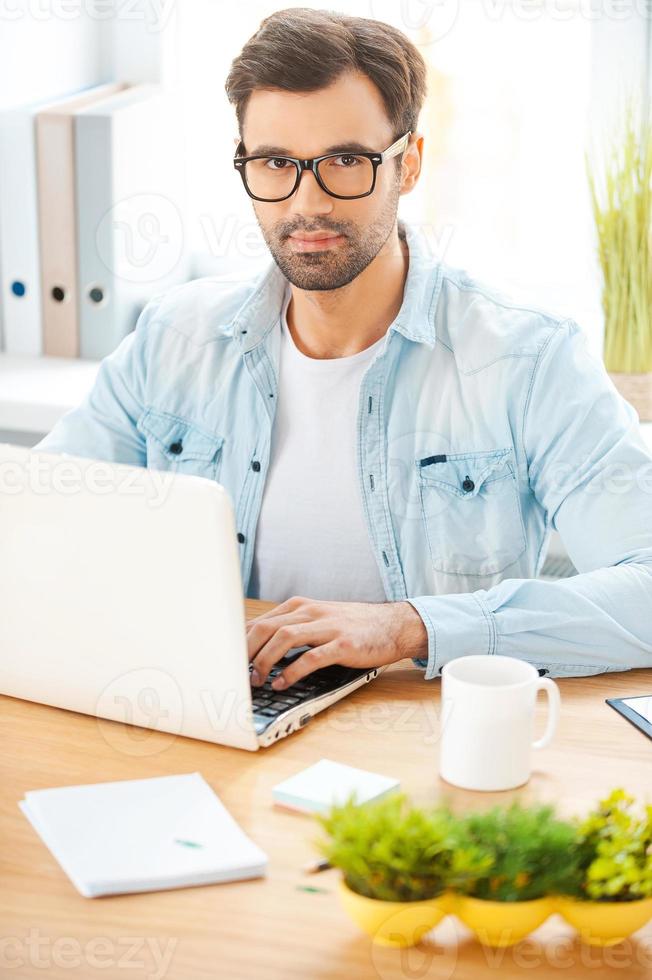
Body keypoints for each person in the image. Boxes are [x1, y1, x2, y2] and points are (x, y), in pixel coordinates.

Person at [35, 8, 652, 692]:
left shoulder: (528, 357)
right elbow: (38, 530)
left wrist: (406, 626)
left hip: (424, 746)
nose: (308, 202)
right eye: (276, 163)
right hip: (222, 715)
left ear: (408, 164)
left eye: (346, 162)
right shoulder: (174, 341)